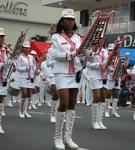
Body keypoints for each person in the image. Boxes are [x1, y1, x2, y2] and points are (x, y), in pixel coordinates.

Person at [51, 9, 82, 149]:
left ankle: (68, 138)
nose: (70, 21)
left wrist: (90, 53)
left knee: (72, 103)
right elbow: (56, 55)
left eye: (72, 19)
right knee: (63, 102)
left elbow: (83, 54)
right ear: (62, 21)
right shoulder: (56, 37)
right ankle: (57, 138)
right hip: (62, 73)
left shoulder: (78, 37)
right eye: (67, 19)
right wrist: (72, 54)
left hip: (75, 73)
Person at [17, 41, 35, 118]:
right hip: (23, 77)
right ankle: (20, 111)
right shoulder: (20, 57)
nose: (27, 49)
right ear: (23, 49)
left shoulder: (31, 57)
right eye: (26, 48)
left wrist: (35, 72)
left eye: (28, 48)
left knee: (29, 95)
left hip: (30, 77)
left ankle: (26, 111)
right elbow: (18, 68)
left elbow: (33, 66)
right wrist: (26, 68)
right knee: (24, 94)